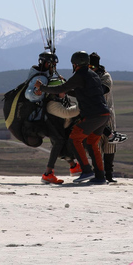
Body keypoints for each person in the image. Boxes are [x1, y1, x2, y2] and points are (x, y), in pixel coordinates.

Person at [36, 51, 110, 184]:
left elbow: (61, 89)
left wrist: (42, 88)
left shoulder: (79, 75)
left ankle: (86, 170)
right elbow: (79, 92)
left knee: (75, 138)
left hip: (93, 116)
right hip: (104, 115)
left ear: (75, 64)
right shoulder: (93, 75)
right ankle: (100, 177)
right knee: (91, 143)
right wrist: (66, 89)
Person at [40, 78, 82, 185]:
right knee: (59, 143)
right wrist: (83, 106)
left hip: (58, 128)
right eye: (62, 89)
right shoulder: (52, 104)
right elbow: (66, 113)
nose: (65, 91)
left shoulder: (58, 100)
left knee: (62, 143)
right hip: (54, 130)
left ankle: (73, 167)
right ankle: (47, 174)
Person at [90, 52, 118, 183]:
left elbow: (103, 90)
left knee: (109, 145)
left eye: (92, 66)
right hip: (94, 116)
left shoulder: (105, 76)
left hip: (108, 115)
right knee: (96, 146)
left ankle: (109, 175)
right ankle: (98, 174)